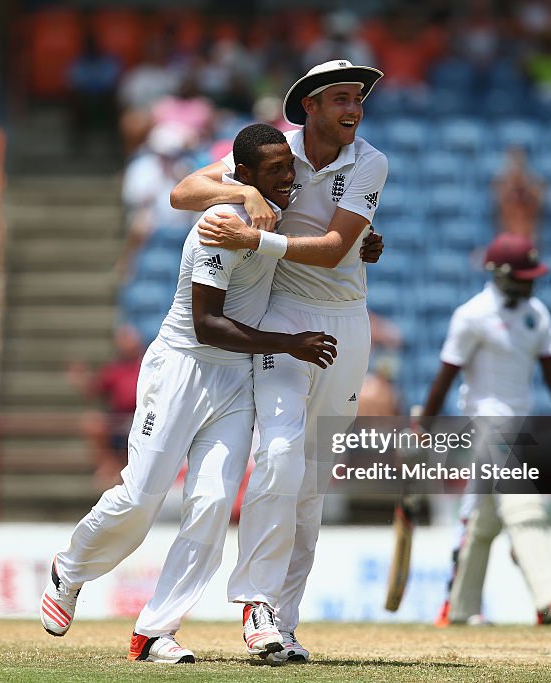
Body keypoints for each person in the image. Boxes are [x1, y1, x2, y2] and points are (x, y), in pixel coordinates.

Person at [40, 124, 340, 664]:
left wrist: (363, 244)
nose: (288, 177)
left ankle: (154, 631)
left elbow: (322, 233)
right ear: (242, 175)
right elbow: (207, 324)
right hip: (183, 368)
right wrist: (288, 343)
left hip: (236, 379)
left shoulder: (277, 205)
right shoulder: (221, 222)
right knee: (141, 496)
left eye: (288, 167)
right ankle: (72, 566)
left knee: (211, 503)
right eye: (274, 171)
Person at [170, 59, 388, 663]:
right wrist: (242, 191)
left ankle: (283, 623)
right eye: (340, 98)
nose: (353, 109)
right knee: (281, 451)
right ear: (309, 106)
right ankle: (257, 605)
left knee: (312, 483)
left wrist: (255, 238)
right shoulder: (274, 150)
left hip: (347, 317)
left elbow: (338, 248)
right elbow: (182, 191)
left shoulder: (369, 162)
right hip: (283, 312)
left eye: (358, 100)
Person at [419, 233, 551, 626]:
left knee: (483, 520)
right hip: (485, 424)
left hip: (523, 428)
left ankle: (458, 608)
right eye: (525, 276)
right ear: (503, 275)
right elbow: (445, 377)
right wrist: (423, 426)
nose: (532, 283)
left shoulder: (537, 313)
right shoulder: (472, 315)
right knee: (521, 502)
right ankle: (548, 594)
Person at [66, 325, 144, 490]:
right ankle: (109, 465)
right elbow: (95, 388)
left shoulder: (148, 365)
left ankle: (129, 470)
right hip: (118, 419)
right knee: (92, 422)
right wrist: (81, 379)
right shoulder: (114, 369)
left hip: (142, 418)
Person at [493, 146, 546, 239]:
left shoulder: (532, 186)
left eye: (519, 163)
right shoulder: (502, 186)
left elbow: (540, 198)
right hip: (509, 234)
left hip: (528, 234)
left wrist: (526, 184)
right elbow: (498, 199)